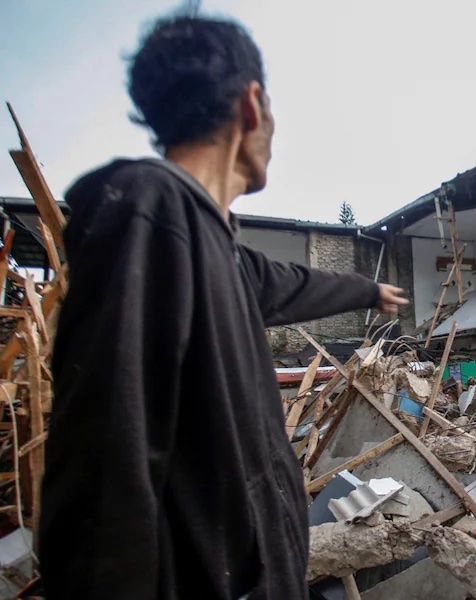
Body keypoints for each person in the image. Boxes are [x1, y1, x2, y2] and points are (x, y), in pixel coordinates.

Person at [38, 13, 407, 599]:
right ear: (251, 106)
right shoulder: (149, 212)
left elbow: (293, 283)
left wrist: (369, 291)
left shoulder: (217, 249)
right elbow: (102, 474)